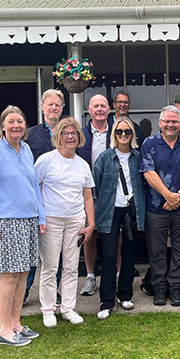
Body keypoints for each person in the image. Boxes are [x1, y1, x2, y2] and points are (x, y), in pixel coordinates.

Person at [0, 105, 44, 347]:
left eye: (20, 121)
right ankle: (4, 329)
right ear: (3, 126)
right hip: (4, 222)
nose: (16, 125)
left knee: (23, 274)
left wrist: (41, 217)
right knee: (10, 275)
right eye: (11, 121)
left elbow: (34, 187)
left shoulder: (26, 150)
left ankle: (16, 323)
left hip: (28, 220)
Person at [35, 116, 95, 328]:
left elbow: (87, 196)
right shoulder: (46, 160)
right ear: (57, 137)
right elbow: (35, 189)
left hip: (75, 220)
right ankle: (48, 309)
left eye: (74, 133)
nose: (70, 137)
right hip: (51, 220)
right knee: (50, 266)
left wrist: (90, 223)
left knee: (70, 267)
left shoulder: (83, 165)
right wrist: (40, 218)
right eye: (65, 133)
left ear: (79, 137)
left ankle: (68, 308)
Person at [140, 105, 180, 306]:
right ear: (160, 123)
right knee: (156, 249)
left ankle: (176, 286)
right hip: (157, 207)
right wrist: (168, 196)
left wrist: (179, 197)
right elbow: (148, 172)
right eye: (166, 121)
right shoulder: (149, 144)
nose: (170, 124)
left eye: (174, 121)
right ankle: (159, 286)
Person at [93, 116, 147, 319]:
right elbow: (96, 186)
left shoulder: (138, 156)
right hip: (110, 211)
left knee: (129, 254)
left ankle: (125, 294)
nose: (123, 135)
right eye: (119, 132)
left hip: (132, 210)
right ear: (114, 134)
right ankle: (106, 301)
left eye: (127, 132)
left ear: (132, 134)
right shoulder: (105, 158)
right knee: (108, 256)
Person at [23, 89, 66, 303]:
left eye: (57, 105)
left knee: (54, 252)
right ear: (42, 107)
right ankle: (24, 291)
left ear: (62, 108)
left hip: (57, 201)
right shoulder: (29, 134)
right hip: (33, 200)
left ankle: (52, 292)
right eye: (50, 104)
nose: (53, 108)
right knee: (31, 250)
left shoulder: (68, 131)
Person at [76, 94, 111, 297]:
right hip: (86, 193)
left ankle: (113, 277)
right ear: (89, 110)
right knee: (89, 236)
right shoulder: (81, 134)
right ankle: (90, 278)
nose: (99, 109)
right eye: (96, 106)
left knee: (115, 236)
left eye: (103, 106)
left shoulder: (117, 132)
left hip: (110, 193)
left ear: (108, 110)